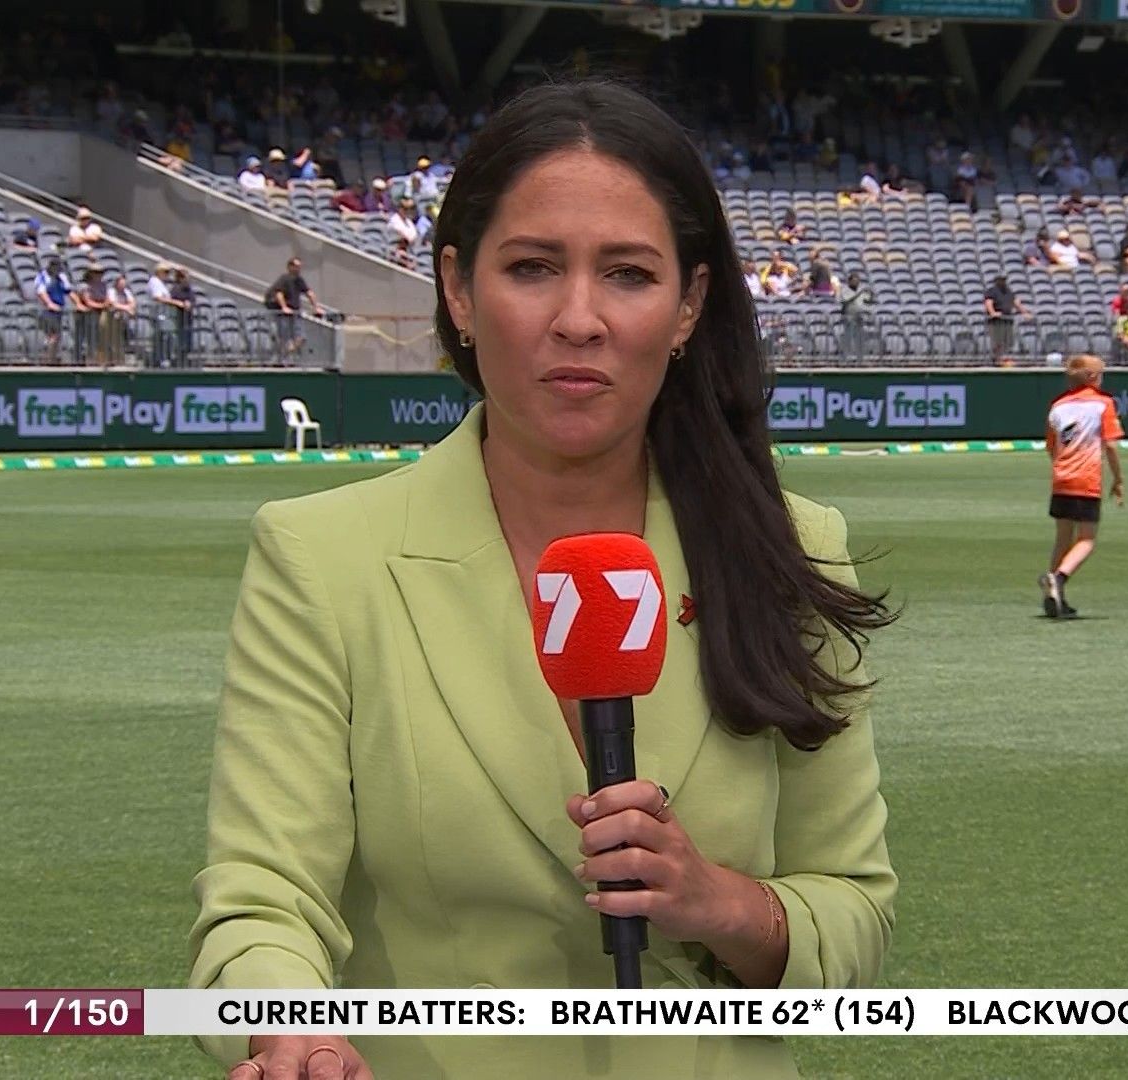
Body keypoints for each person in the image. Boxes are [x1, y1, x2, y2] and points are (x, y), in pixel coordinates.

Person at [189, 79, 898, 1080]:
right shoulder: (322, 559)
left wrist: (722, 904)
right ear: (459, 290)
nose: (579, 319)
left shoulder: (794, 548)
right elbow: (263, 902)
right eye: (531, 268)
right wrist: (289, 1028)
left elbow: (855, 913)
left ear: (689, 304)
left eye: (628, 274)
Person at [1039, 354, 1124, 619]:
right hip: (1086, 479)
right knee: (1086, 539)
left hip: (1061, 479)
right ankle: (1059, 578)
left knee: (1062, 539)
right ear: (1093, 377)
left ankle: (1055, 596)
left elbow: (1051, 446)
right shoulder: (1103, 403)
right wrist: (1118, 479)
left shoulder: (1058, 405)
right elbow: (1111, 445)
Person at [265, 257, 324, 359]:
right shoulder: (284, 278)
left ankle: (284, 354)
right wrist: (284, 307)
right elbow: (279, 294)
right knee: (284, 338)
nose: (298, 269)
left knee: (301, 338)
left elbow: (309, 293)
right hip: (283, 315)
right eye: (296, 266)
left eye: (299, 267)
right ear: (290, 267)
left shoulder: (299, 280)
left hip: (296, 313)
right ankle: (282, 358)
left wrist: (316, 307)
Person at [982, 274, 1029, 365]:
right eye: (1001, 280)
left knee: (1007, 341)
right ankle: (997, 360)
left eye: (1004, 280)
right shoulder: (992, 291)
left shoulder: (1008, 291)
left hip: (1008, 321)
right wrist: (993, 313)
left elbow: (1016, 303)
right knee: (997, 341)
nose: (1003, 282)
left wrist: (1024, 312)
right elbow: (988, 302)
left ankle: (1004, 359)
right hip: (997, 322)